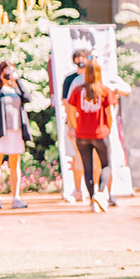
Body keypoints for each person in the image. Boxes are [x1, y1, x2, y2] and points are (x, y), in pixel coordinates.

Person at [0, 60, 31, 210]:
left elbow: (27, 98)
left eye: (11, 72)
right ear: (0, 73)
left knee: (15, 164)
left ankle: (16, 197)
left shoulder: (15, 89)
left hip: (15, 131)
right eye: (7, 72)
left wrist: (18, 82)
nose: (9, 75)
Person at [68, 60, 117, 213]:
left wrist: (77, 128)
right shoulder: (105, 91)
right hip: (100, 133)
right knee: (106, 164)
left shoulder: (77, 91)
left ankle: (92, 200)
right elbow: (110, 115)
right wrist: (107, 128)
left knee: (87, 167)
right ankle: (101, 193)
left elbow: (70, 113)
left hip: (82, 135)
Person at [60, 46, 90, 203]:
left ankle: (93, 189)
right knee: (77, 156)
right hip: (74, 124)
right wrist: (73, 123)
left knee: (92, 157)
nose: (81, 61)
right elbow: (66, 102)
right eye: (78, 59)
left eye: (83, 58)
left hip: (91, 124)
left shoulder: (94, 78)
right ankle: (78, 189)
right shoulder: (69, 80)